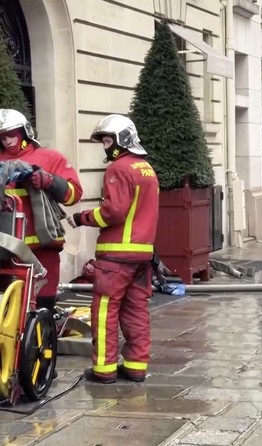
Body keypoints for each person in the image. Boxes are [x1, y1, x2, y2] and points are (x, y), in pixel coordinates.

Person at [67, 114, 160, 384]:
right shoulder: (146, 168)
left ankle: (104, 370)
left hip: (116, 256)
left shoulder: (118, 169)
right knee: (136, 311)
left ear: (122, 140)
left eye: (108, 140)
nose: (105, 147)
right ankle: (135, 366)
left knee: (105, 311)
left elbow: (113, 212)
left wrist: (81, 218)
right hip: (142, 255)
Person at [0, 109, 83, 312]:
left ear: (24, 132)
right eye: (2, 136)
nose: (7, 140)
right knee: (6, 313)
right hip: (4, 252)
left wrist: (50, 181)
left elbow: (74, 194)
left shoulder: (49, 158)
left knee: (42, 310)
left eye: (12, 133)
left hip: (42, 253)